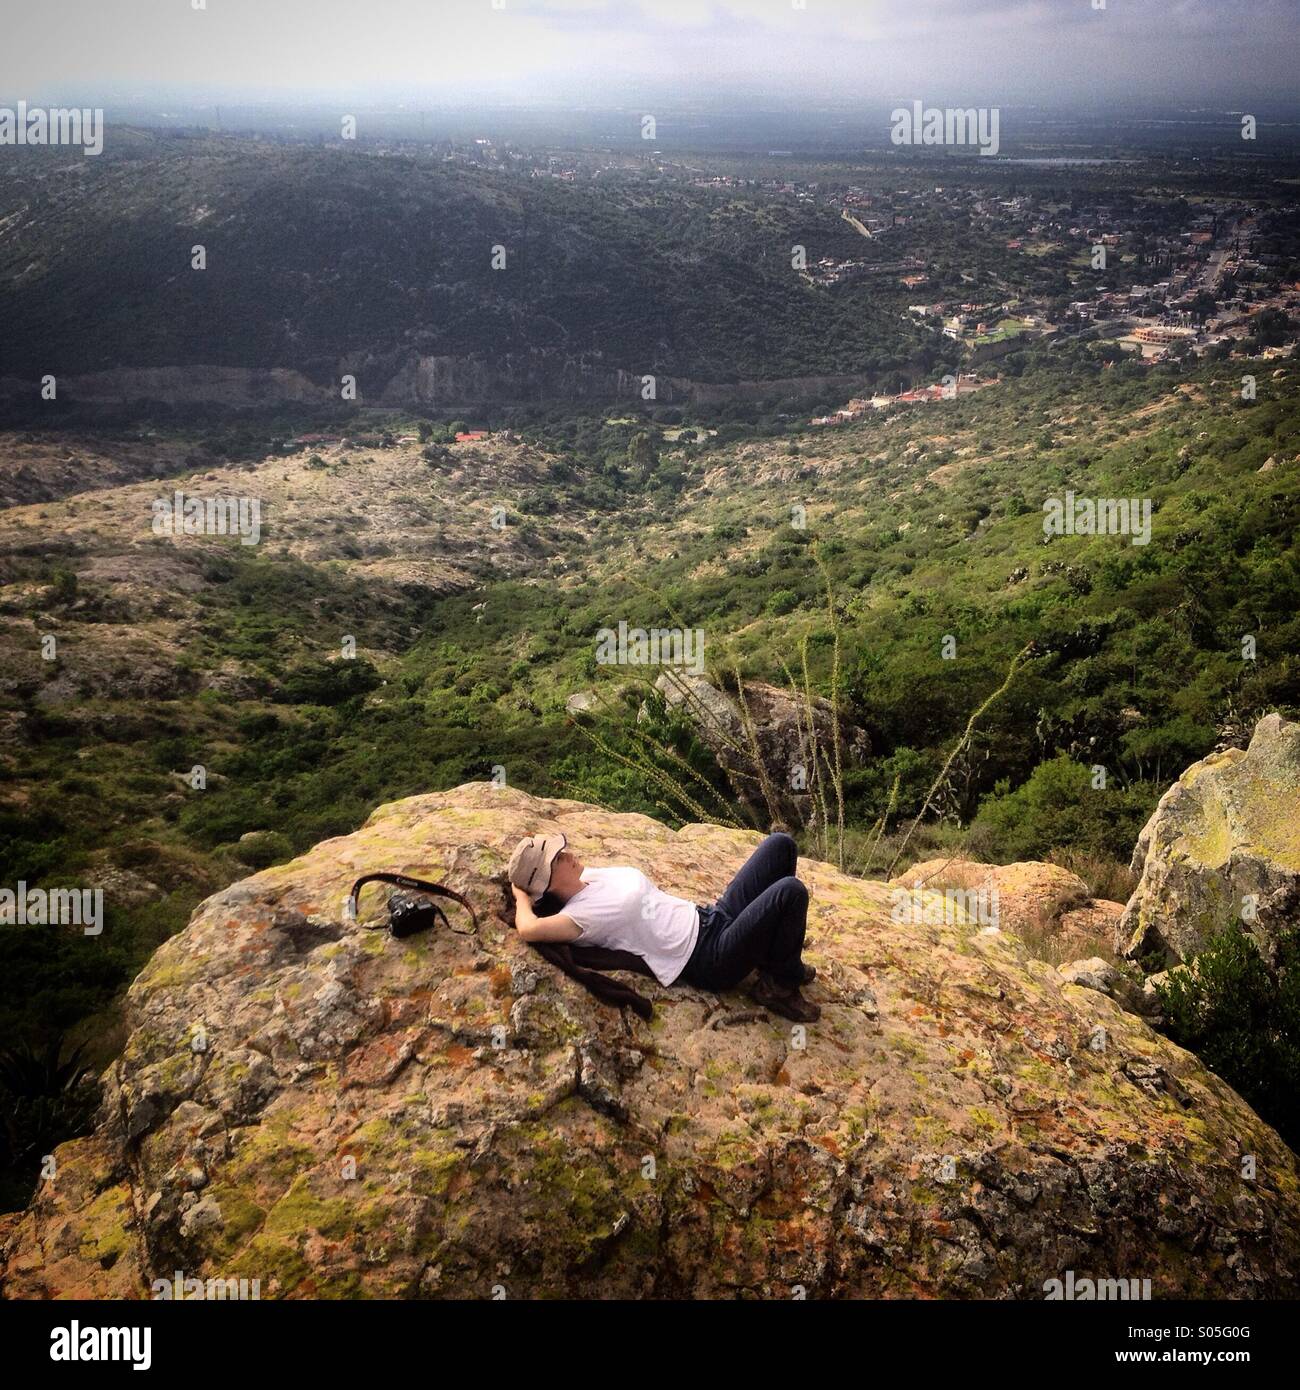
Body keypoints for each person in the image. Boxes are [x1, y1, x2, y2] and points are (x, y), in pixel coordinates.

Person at [508, 829, 819, 1021]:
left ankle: (776, 957)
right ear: (545, 883)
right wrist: (521, 894)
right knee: (790, 892)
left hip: (711, 917)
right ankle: (778, 985)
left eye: (562, 851)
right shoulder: (580, 918)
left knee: (781, 845)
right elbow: (529, 929)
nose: (569, 854)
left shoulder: (590, 876)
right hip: (708, 957)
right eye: (559, 858)